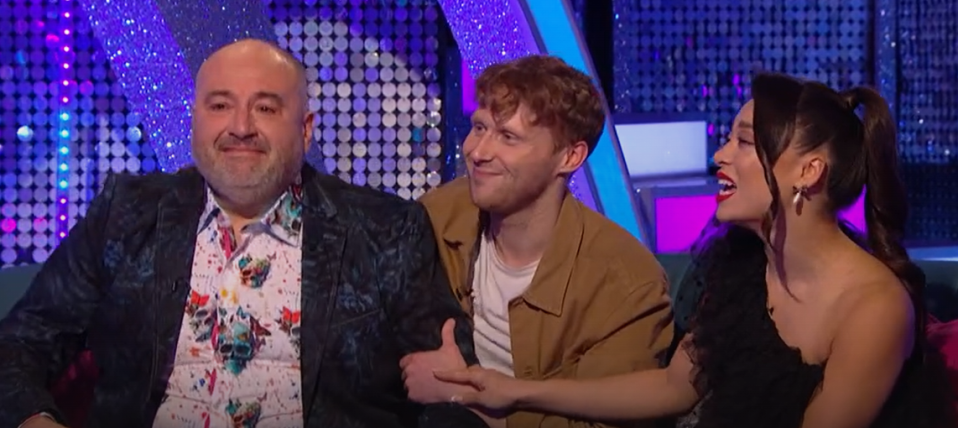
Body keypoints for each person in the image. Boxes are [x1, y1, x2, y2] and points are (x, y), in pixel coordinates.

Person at [0, 39, 488, 428]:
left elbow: (451, 394)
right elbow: (20, 343)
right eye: (220, 105)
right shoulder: (127, 214)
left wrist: (452, 394)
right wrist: (34, 420)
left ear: (305, 129)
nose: (240, 127)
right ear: (194, 120)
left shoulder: (385, 229)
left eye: (266, 109)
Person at [428, 73, 958, 428]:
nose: (720, 157)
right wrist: (512, 390)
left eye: (745, 142)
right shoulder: (738, 260)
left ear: (809, 171)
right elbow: (672, 386)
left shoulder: (874, 308)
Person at [400, 55, 673, 428]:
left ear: (569, 156)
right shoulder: (436, 214)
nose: (477, 152)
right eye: (479, 128)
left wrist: (464, 398)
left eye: (508, 137)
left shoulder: (627, 285)